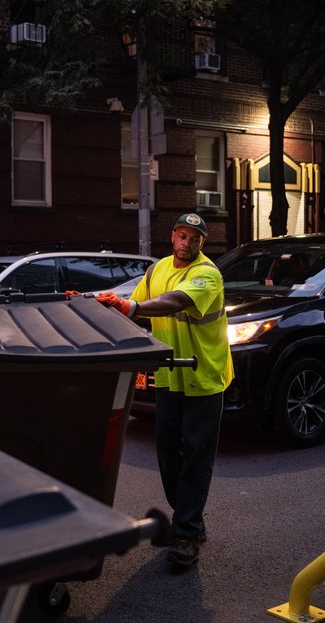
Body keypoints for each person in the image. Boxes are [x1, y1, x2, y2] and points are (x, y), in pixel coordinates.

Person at [96, 213, 233, 569]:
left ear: (203, 242)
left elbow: (173, 302)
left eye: (195, 238)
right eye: (182, 235)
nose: (187, 243)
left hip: (204, 377)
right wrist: (97, 307)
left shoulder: (207, 274)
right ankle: (190, 521)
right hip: (171, 376)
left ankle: (186, 534)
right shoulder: (156, 270)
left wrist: (133, 306)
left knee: (196, 456)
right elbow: (132, 310)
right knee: (168, 452)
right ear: (172, 236)